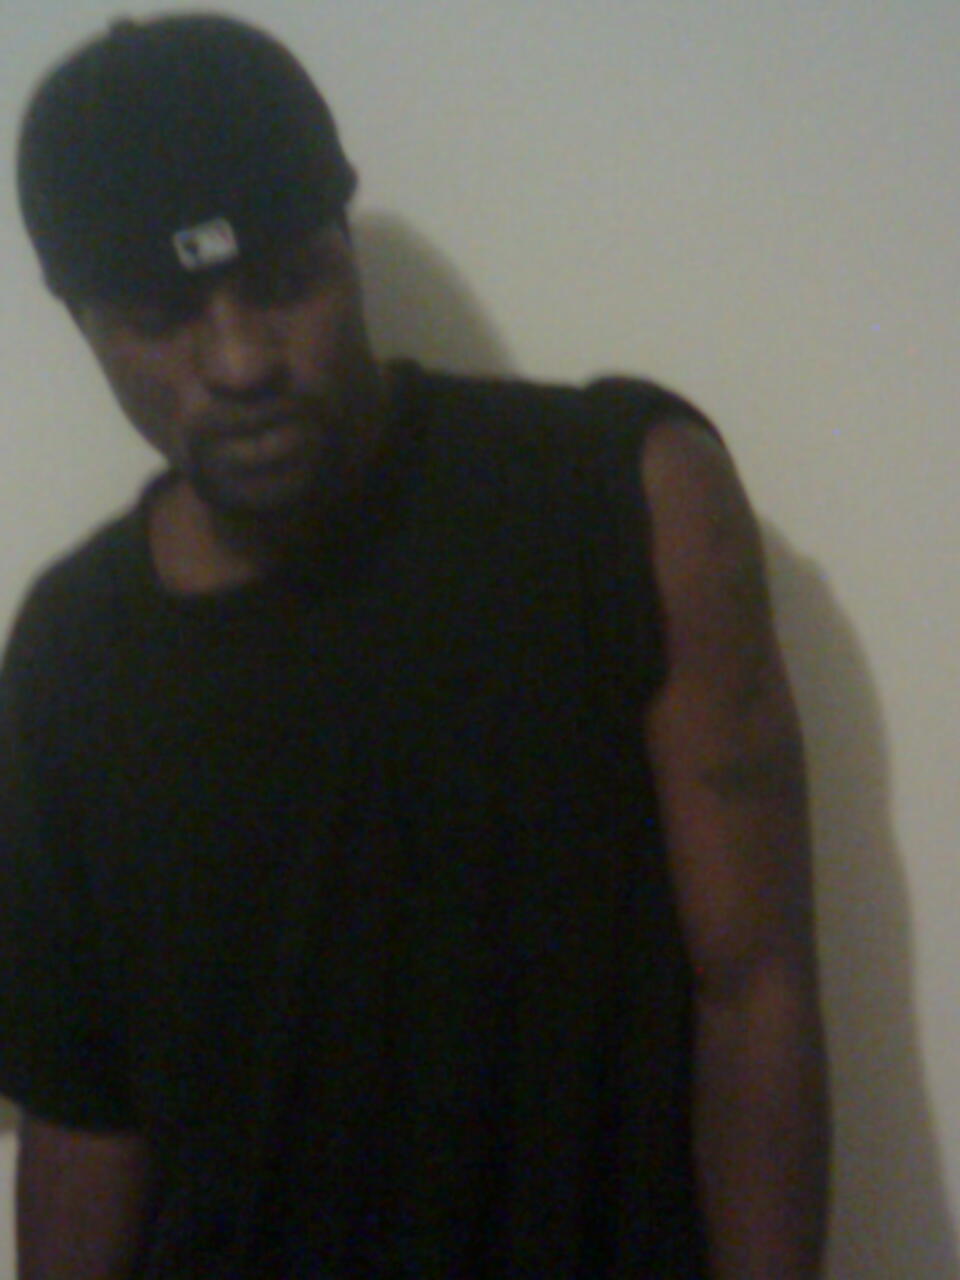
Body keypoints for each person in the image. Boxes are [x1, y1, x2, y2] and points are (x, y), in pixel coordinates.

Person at [0, 13, 829, 1279]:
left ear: (344, 242)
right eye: (163, 315)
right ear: (81, 321)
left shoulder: (626, 501)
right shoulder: (69, 660)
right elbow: (82, 1112)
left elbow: (755, 982)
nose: (241, 359)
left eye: (287, 280)